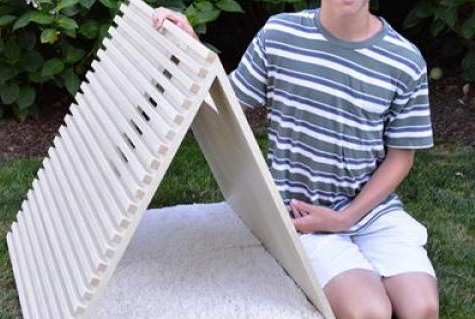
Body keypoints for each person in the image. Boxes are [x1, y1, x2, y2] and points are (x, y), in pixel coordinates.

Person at [152, 1, 439, 318]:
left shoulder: (404, 59)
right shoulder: (280, 34)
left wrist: (346, 218)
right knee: (370, 311)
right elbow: (226, 101)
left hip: (371, 212)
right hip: (300, 212)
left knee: (420, 308)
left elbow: (401, 156)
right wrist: (193, 46)